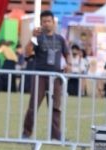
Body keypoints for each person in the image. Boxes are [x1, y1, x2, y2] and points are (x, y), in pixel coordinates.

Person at [22, 10, 70, 141]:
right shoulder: (37, 38)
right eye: (44, 21)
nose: (47, 24)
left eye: (49, 21)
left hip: (56, 76)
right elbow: (27, 53)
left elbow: (67, 54)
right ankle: (26, 133)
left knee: (55, 107)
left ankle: (55, 135)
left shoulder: (60, 39)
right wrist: (32, 38)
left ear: (54, 22)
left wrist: (69, 65)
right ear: (41, 23)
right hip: (40, 76)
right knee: (33, 106)